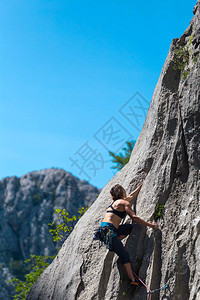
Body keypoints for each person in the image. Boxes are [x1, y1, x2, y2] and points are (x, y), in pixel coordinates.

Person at [95, 183, 158, 285]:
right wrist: (151, 225)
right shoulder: (124, 204)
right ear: (122, 192)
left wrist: (140, 187)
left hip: (104, 231)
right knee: (124, 256)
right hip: (109, 232)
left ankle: (115, 244)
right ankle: (133, 280)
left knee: (129, 227)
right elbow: (134, 218)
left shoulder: (114, 203)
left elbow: (130, 197)